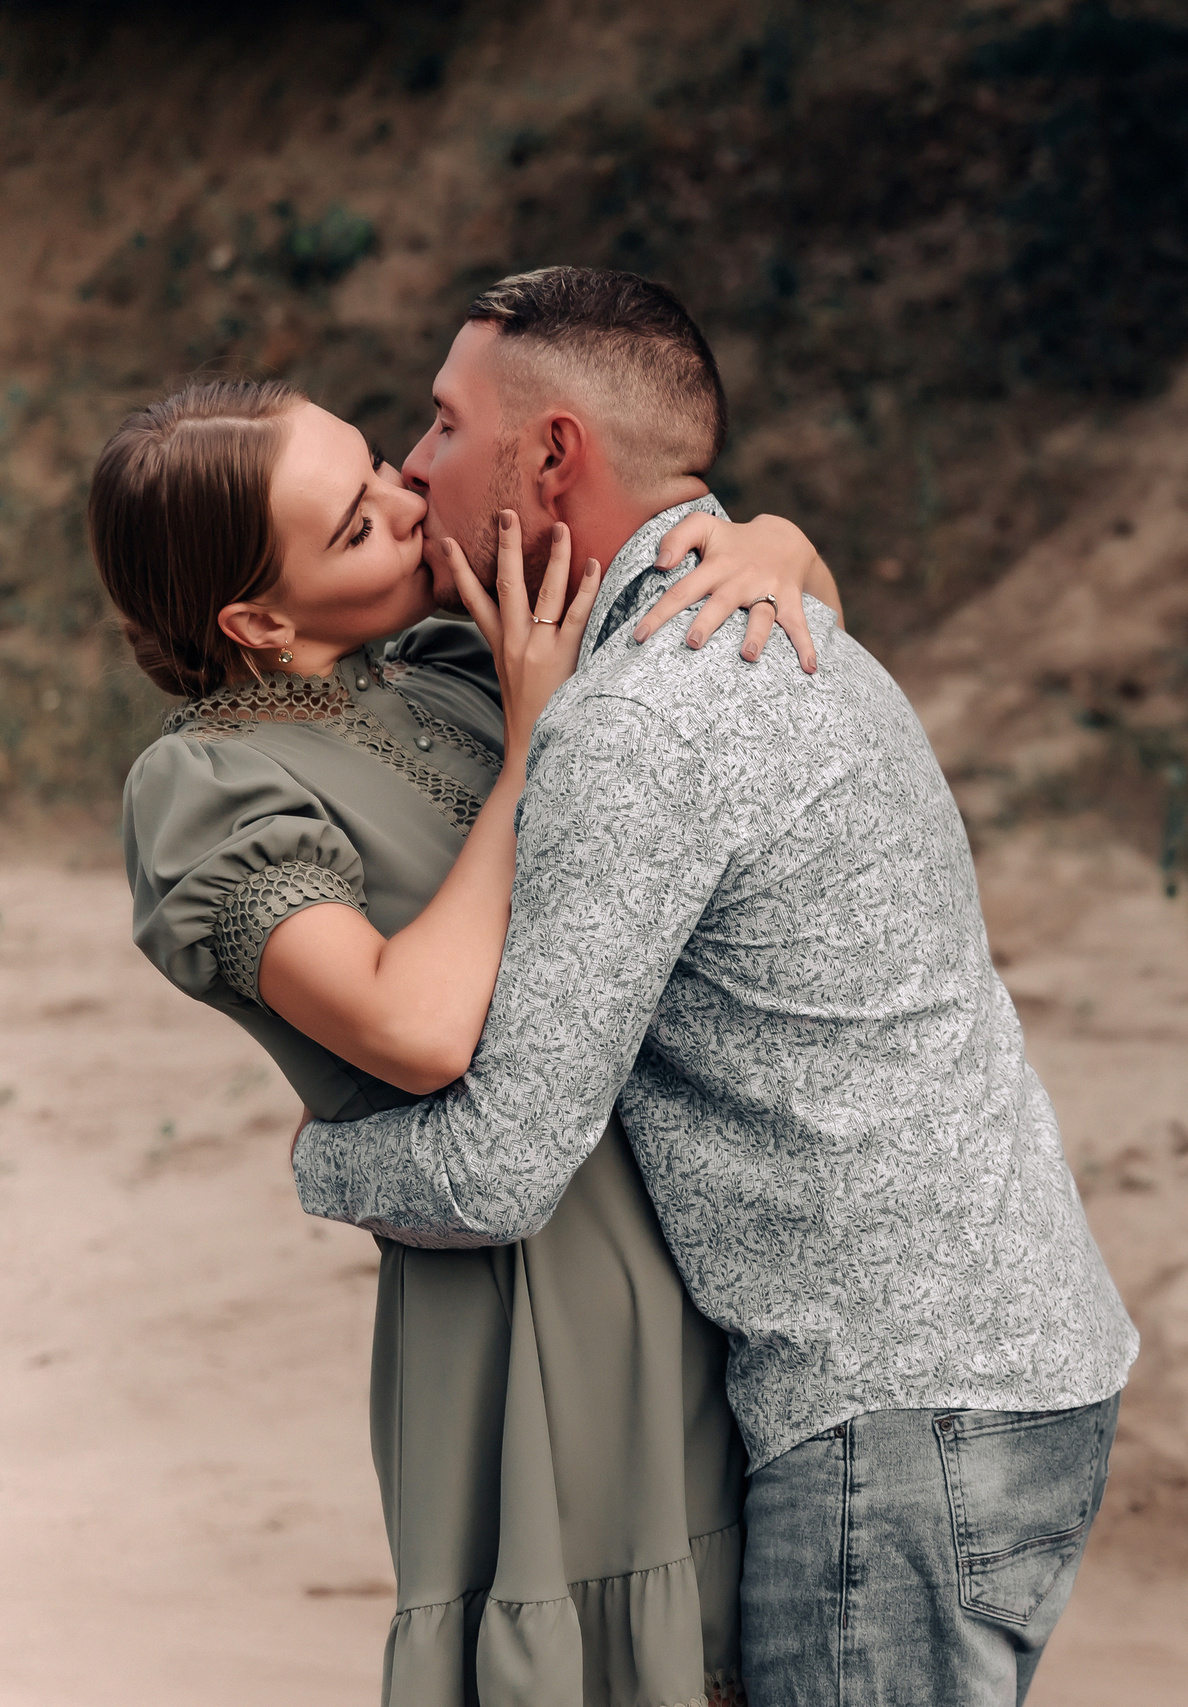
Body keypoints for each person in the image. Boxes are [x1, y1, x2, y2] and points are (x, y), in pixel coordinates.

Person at [293, 266, 1141, 1707]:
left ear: (553, 455)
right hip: (1003, 1367)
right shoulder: (769, 618)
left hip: (893, 1426)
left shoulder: (643, 718)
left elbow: (500, 1169)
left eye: (443, 424)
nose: (414, 463)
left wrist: (318, 1159)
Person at [99, 361, 842, 1704]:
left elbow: (768, 653)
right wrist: (532, 746)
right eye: (355, 525)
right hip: (520, 1306)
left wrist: (776, 543)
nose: (407, 501)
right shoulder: (206, 789)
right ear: (257, 617)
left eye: (380, 469)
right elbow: (417, 1026)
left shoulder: (457, 664)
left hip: (698, 1256)